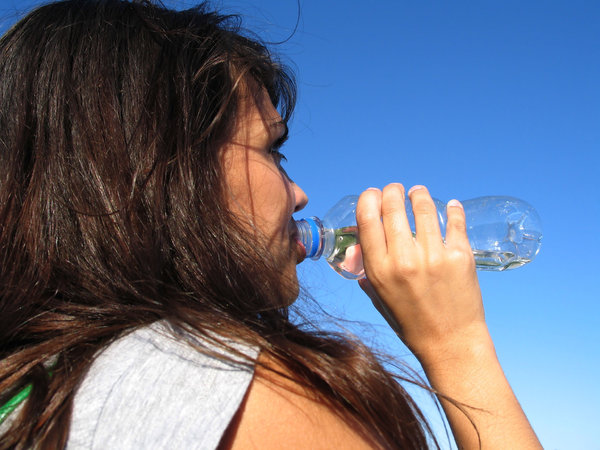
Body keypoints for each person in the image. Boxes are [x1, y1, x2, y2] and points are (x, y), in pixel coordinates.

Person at [0, 1, 542, 448]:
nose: (301, 194)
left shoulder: (33, 388)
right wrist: (456, 344)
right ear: (161, 167)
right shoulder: (248, 403)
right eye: (272, 151)